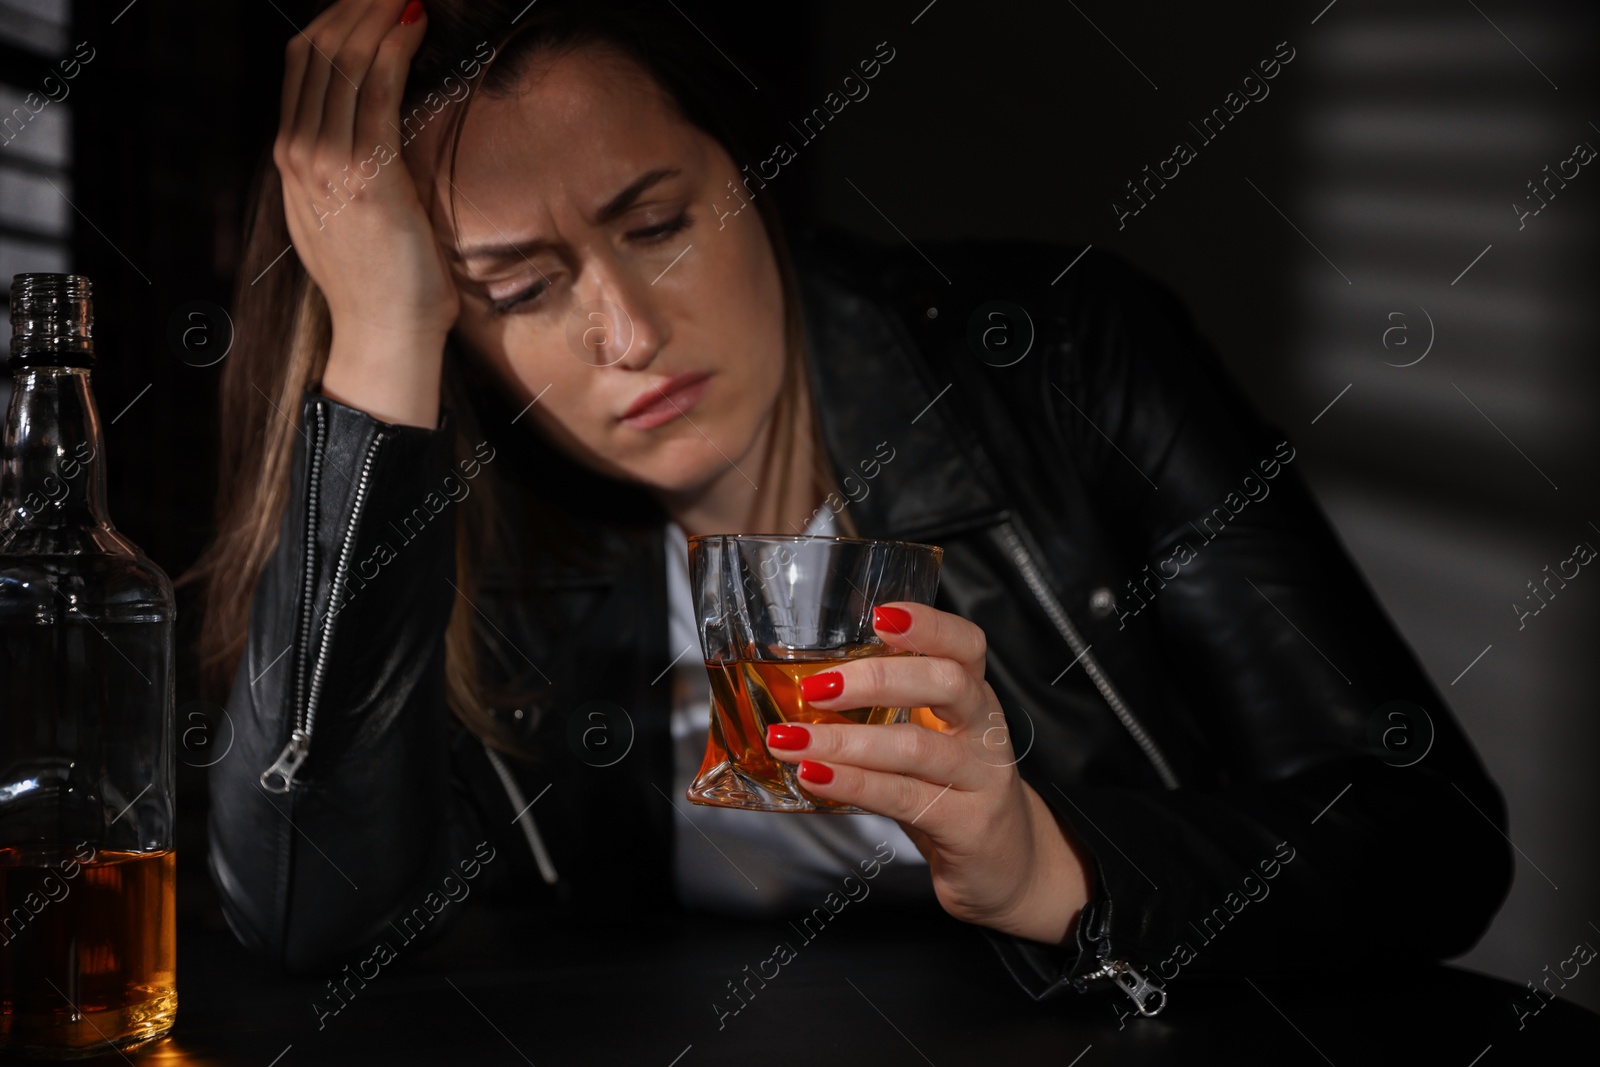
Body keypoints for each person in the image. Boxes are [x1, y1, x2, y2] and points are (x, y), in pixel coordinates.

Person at [184, 0, 1512, 1012]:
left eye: (659, 225)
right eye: (520, 292)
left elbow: (1427, 845)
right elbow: (308, 913)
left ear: (750, 175)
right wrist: (379, 344)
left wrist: (1045, 865)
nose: (628, 332)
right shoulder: (468, 512)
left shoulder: (1060, 366)